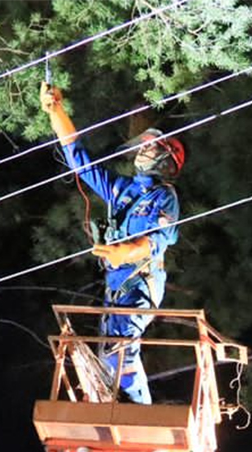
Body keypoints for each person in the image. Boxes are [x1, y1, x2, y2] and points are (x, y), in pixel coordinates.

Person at [40, 82, 184, 405]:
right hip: (115, 286)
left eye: (151, 147)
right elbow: (82, 162)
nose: (142, 150)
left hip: (141, 284)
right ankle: (119, 407)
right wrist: (56, 112)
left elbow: (158, 239)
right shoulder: (122, 190)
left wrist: (126, 251)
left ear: (165, 159)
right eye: (143, 145)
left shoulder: (165, 196)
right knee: (108, 351)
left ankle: (141, 413)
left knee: (121, 347)